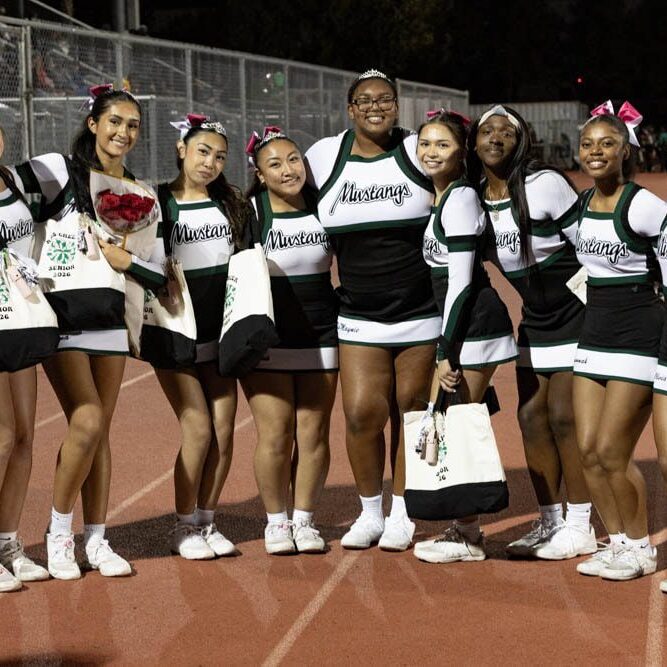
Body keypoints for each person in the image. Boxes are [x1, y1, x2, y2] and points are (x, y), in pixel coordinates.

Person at [12, 86, 165, 579]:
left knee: (100, 433)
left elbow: (155, 269)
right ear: (94, 123)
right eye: (115, 122)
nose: (124, 132)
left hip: (110, 320)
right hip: (61, 316)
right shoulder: (59, 169)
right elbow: (9, 192)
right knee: (88, 419)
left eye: (133, 125)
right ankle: (59, 535)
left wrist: (129, 261)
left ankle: (97, 539)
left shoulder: (140, 193)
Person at [305, 69, 439, 551]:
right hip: (358, 312)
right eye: (365, 100)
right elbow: (283, 197)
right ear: (351, 109)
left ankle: (403, 510)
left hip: (420, 310)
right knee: (361, 413)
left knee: (412, 412)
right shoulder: (325, 155)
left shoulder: (416, 150)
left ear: (397, 106)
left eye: (385, 98)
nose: (375, 106)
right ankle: (369, 511)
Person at [466, 104, 595, 560]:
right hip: (535, 319)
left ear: (522, 140)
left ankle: (581, 525)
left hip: (577, 312)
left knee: (564, 416)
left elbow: (590, 245)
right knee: (529, 417)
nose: (496, 137)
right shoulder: (476, 197)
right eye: (487, 131)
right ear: (475, 143)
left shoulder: (544, 185)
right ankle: (550, 521)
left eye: (507, 131)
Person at [408, 109, 517, 563]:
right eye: (425, 144)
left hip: (474, 322)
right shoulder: (439, 197)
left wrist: (444, 350)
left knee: (457, 412)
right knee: (455, 410)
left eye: (443, 145)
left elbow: (461, 283)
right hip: (461, 323)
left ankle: (469, 534)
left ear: (461, 152)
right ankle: (465, 526)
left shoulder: (460, 200)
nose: (431, 152)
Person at [572, 101, 665, 581]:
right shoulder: (583, 203)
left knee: (612, 450)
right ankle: (617, 543)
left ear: (625, 151)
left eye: (607, 143)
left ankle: (641, 546)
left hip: (636, 336)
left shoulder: (644, 204)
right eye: (588, 144)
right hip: (594, 335)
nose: (596, 152)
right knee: (586, 449)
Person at [154, 113, 253, 559]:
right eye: (202, 151)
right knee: (196, 427)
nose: (210, 162)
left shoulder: (231, 202)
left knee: (225, 433)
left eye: (219, 156)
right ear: (182, 150)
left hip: (221, 331)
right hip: (177, 332)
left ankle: (207, 521)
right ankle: (182, 525)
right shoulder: (158, 202)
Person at [243, 126, 338, 554]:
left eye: (294, 159)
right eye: (275, 164)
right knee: (276, 434)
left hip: (322, 331)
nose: (288, 169)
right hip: (269, 334)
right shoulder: (251, 212)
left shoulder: (327, 205)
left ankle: (305, 520)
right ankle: (276, 522)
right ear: (260, 175)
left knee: (314, 431)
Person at [0, 127, 50, 591]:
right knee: (2, 436)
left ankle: (9, 541)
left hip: (20, 315)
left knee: (24, 438)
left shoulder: (12, 178)